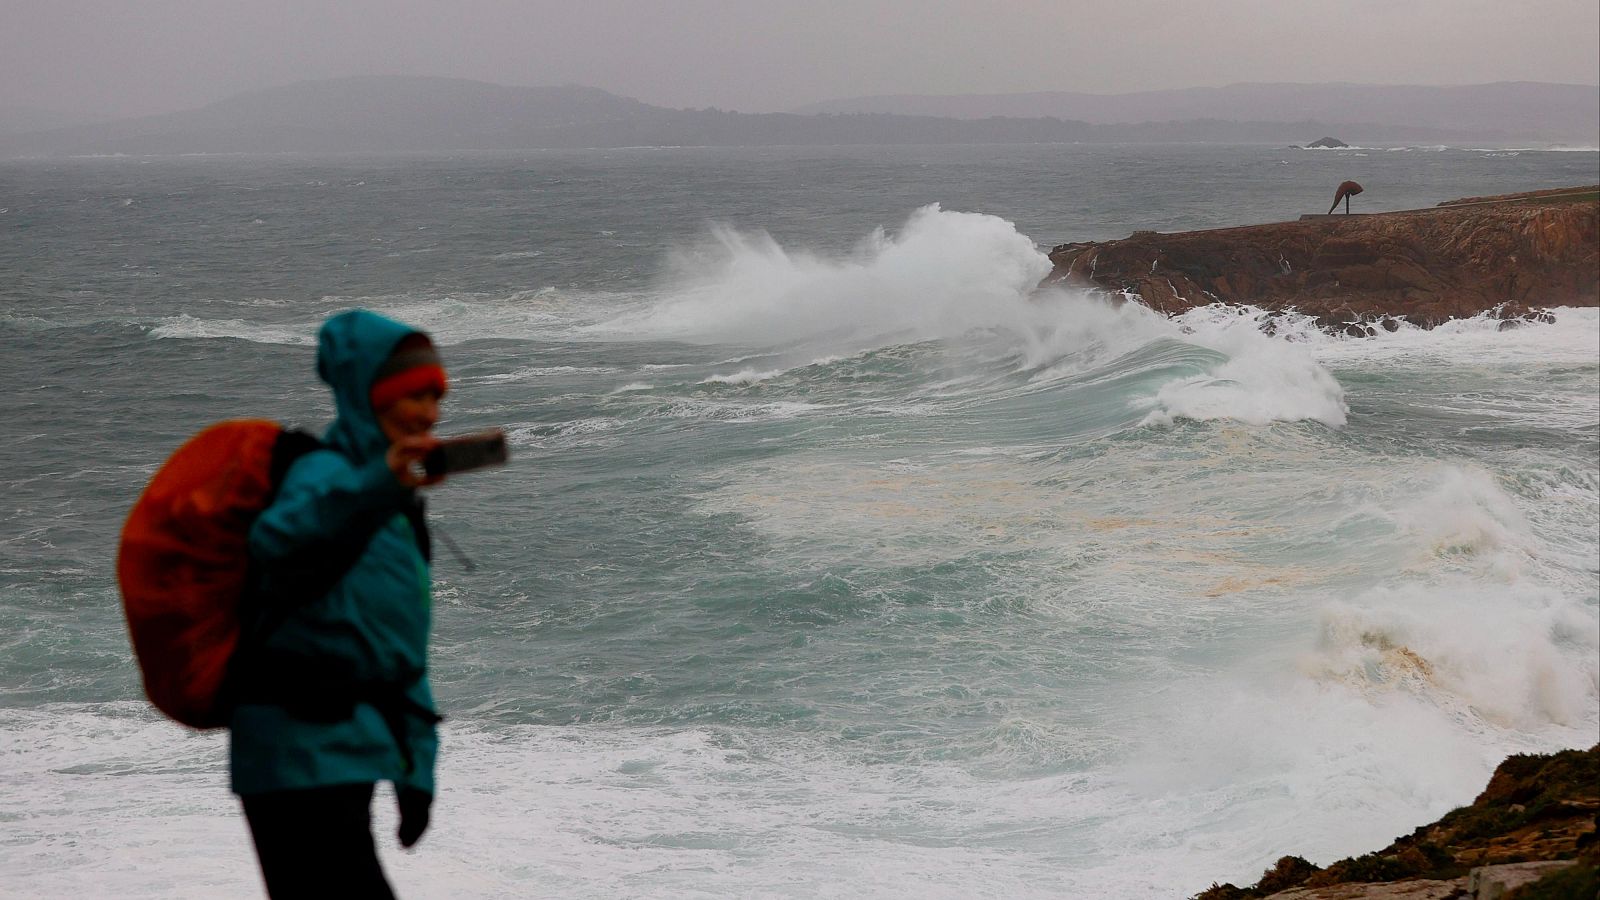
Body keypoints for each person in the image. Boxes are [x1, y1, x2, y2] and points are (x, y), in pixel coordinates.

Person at [228, 309, 448, 899]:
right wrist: (379, 483)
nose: (427, 413)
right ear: (366, 395)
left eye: (435, 396)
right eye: (411, 396)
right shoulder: (320, 475)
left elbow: (399, 648)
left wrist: (417, 771)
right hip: (291, 749)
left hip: (349, 750)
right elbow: (277, 540)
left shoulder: (396, 505)